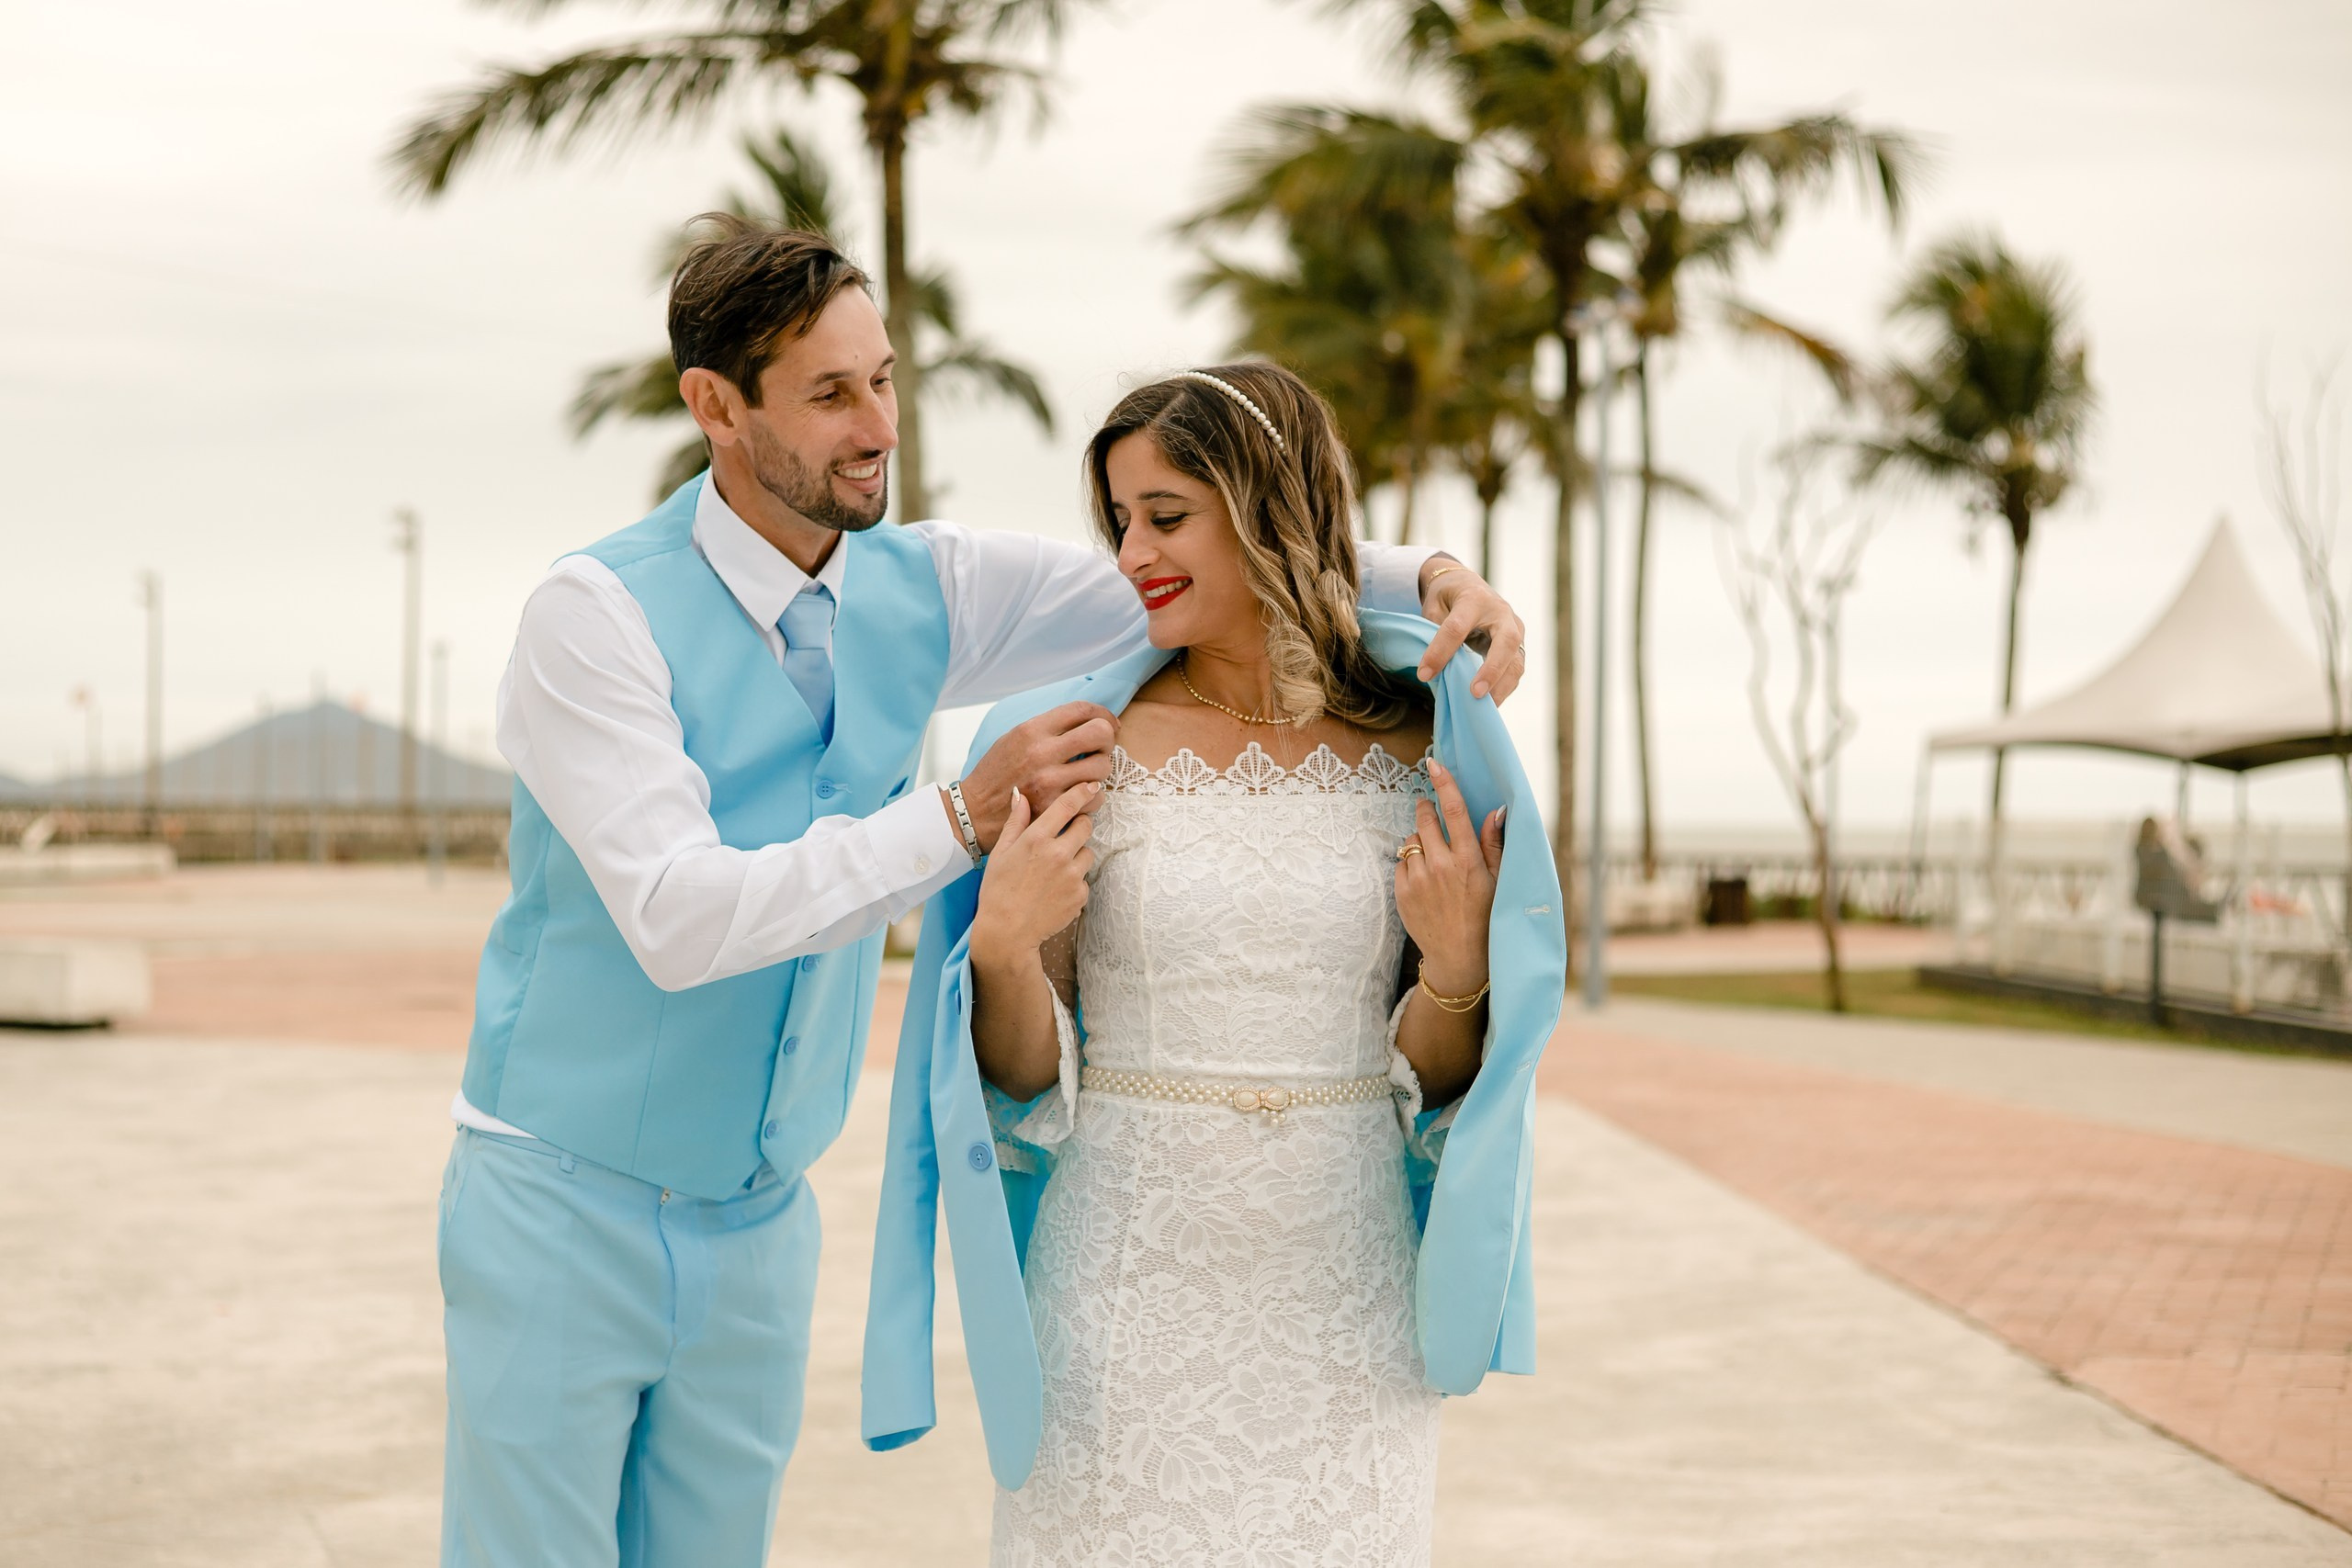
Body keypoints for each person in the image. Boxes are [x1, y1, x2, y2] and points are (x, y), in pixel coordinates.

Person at [435, 218, 1532, 1568]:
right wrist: (957, 819)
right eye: (831, 394)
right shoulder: (591, 617)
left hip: (760, 1218)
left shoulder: (927, 586)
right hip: (564, 1194)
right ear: (716, 407)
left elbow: (1215, 564)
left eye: (884, 379)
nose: (875, 424)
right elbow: (679, 918)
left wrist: (1430, 577)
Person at [861, 364, 1566, 1566]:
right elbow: (1029, 1083)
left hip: (1349, 1298)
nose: (1134, 552)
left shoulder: (1423, 743)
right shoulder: (1083, 742)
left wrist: (1455, 972)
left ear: (1264, 509)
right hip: (1125, 1296)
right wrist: (1001, 948)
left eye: (1167, 517)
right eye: (1121, 521)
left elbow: (1440, 1090)